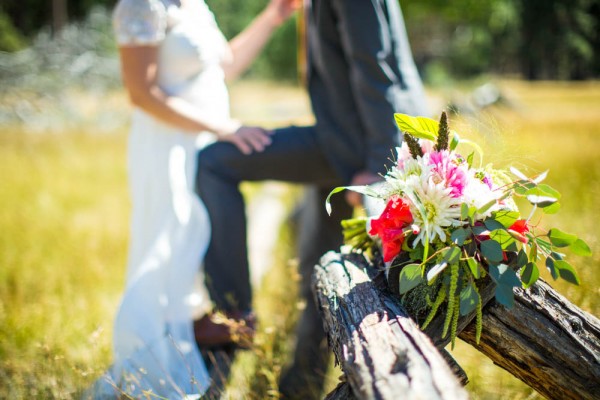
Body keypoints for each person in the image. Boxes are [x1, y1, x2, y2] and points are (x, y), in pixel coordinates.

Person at [195, 0, 428, 398]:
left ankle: (234, 311)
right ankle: (299, 384)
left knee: (214, 162)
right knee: (319, 265)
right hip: (345, 140)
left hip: (355, 146)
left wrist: (378, 167)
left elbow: (374, 66)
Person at [87, 0, 298, 398]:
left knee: (196, 241)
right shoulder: (141, 5)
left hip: (201, 144)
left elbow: (224, 66)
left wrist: (274, 16)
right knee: (168, 244)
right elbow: (142, 93)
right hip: (166, 147)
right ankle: (152, 353)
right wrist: (225, 128)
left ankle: (192, 329)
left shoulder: (194, 3)